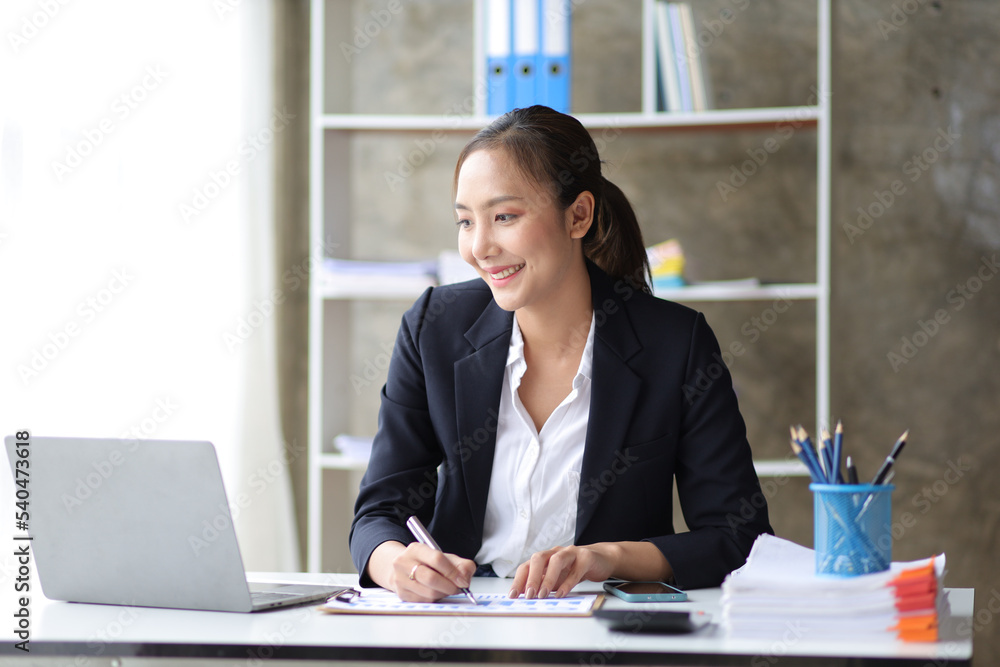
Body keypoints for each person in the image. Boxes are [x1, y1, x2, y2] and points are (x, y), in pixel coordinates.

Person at [349, 105, 772, 602]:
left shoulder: (675, 344)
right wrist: (395, 563)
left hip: (605, 628)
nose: (479, 247)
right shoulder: (433, 328)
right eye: (466, 222)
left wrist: (606, 558)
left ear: (578, 215)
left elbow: (736, 536)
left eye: (504, 216)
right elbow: (379, 512)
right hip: (460, 622)